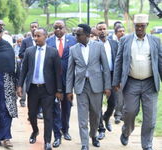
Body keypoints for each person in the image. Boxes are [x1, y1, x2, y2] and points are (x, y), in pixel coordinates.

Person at [113, 14, 162, 150]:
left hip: (150, 83)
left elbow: (160, 62)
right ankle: (126, 131)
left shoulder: (155, 41)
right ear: (134, 26)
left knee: (150, 118)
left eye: (142, 26)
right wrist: (116, 81)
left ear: (146, 26)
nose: (139, 28)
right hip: (131, 82)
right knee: (129, 112)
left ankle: (147, 145)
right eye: (137, 26)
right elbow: (119, 61)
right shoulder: (125, 40)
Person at [66, 24, 111, 150]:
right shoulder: (73, 49)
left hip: (96, 85)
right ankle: (84, 144)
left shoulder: (98, 46)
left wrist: (107, 86)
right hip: (81, 86)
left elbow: (106, 68)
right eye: (75, 34)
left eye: (78, 34)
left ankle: (93, 135)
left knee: (96, 114)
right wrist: (69, 90)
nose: (76, 36)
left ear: (87, 35)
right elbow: (70, 71)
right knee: (82, 117)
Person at [17, 27, 63, 150]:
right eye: (34, 36)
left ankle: (47, 141)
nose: (35, 38)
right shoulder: (29, 51)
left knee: (48, 116)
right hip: (33, 89)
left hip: (48, 90)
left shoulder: (53, 52)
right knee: (32, 114)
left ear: (45, 36)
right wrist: (20, 85)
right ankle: (35, 131)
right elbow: (24, 70)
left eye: (38, 36)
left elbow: (58, 73)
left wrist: (59, 90)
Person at [46, 20, 77, 148]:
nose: (58, 30)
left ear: (65, 28)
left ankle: (65, 130)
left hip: (68, 79)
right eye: (56, 27)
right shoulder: (49, 41)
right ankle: (57, 134)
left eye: (60, 27)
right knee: (55, 108)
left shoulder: (73, 40)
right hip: (53, 81)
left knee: (66, 106)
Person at [95, 22, 119, 140]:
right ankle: (101, 129)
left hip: (112, 75)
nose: (102, 31)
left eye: (104, 29)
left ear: (107, 30)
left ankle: (106, 117)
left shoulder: (114, 44)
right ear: (96, 31)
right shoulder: (93, 44)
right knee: (97, 104)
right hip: (98, 76)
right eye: (100, 29)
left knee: (113, 103)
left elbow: (118, 61)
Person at [18, 22, 39, 116]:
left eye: (36, 27)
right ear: (30, 28)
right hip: (29, 68)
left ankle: (39, 111)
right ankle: (30, 110)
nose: (34, 28)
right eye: (32, 27)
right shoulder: (26, 41)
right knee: (28, 87)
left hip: (40, 68)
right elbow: (20, 53)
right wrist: (30, 55)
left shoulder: (43, 40)